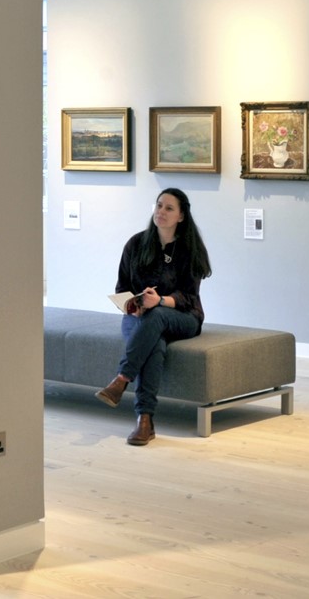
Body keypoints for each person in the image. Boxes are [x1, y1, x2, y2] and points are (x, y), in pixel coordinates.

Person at [95, 187, 212, 446]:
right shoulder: (136, 244)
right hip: (139, 316)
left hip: (183, 317)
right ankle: (144, 421)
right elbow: (121, 288)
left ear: (181, 216)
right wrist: (135, 304)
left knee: (157, 316)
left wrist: (158, 301)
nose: (161, 212)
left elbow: (190, 297)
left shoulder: (189, 249)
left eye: (169, 208)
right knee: (154, 345)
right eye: (159, 206)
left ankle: (122, 379)